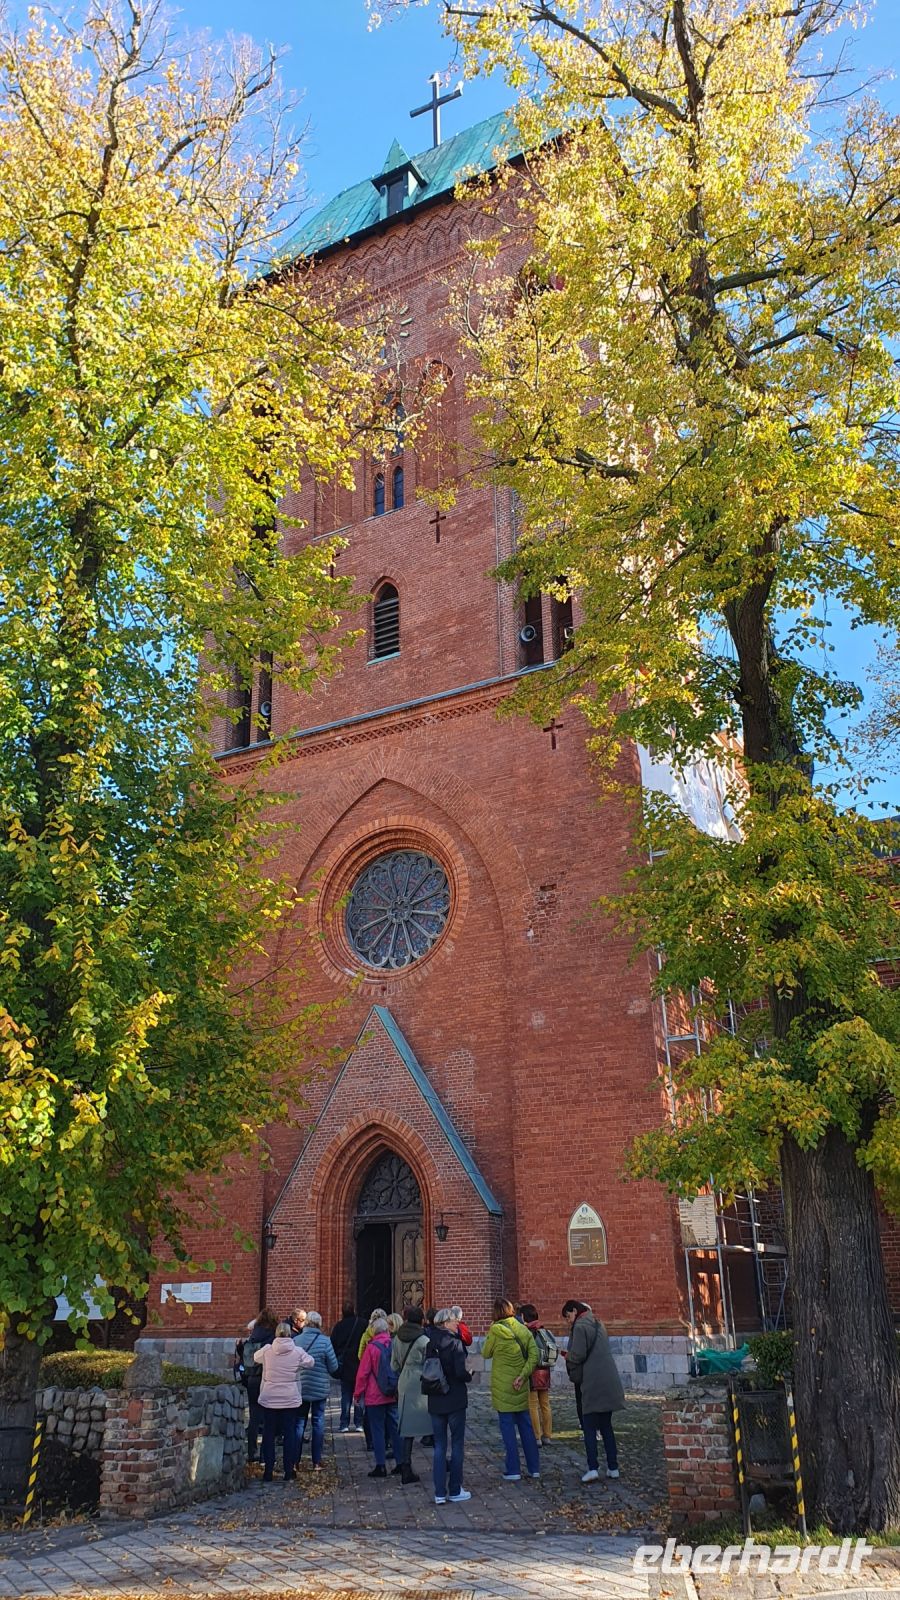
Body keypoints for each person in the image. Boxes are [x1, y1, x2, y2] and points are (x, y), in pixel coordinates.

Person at [561, 1299, 626, 1482]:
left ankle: (592, 1468)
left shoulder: (580, 1327)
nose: (568, 1321)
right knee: (606, 1426)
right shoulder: (598, 1323)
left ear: (574, 1311)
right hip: (609, 1380)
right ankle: (613, 1467)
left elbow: (578, 1355)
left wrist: (566, 1355)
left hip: (592, 1382)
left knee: (589, 1426)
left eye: (568, 1316)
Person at [482, 1296, 541, 1481]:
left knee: (508, 1430)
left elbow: (485, 1353)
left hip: (502, 1386)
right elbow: (534, 1355)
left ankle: (513, 1469)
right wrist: (522, 1376)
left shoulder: (495, 1330)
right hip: (520, 1385)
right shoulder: (523, 1329)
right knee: (526, 1427)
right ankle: (534, 1468)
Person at [254, 1319, 314, 1482]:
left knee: (268, 1434)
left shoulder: (268, 1350)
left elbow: (255, 1357)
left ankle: (268, 1471)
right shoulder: (297, 1351)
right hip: (290, 1398)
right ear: (289, 1334)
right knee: (289, 1434)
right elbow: (310, 1362)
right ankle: (288, 1470)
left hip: (269, 1398)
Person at [425, 1307, 471, 1505]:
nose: (457, 1323)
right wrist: (469, 1375)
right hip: (454, 1398)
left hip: (436, 1398)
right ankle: (455, 1489)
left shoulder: (430, 1343)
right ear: (444, 1323)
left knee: (439, 1446)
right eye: (454, 1321)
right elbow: (460, 1372)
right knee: (457, 1444)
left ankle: (439, 1492)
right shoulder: (455, 1343)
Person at [353, 1315, 400, 1477]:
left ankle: (381, 1466)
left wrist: (357, 1394)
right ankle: (401, 1463)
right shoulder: (394, 1344)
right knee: (395, 1429)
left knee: (377, 1430)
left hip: (375, 1395)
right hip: (392, 1392)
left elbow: (363, 1374)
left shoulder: (371, 1348)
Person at [294, 1310, 339, 1468]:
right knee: (318, 1422)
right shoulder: (325, 1342)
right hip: (319, 1388)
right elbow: (334, 1367)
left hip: (301, 1387)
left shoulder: (296, 1340)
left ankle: (295, 1461)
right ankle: (316, 1461)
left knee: (299, 1423)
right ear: (319, 1324)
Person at [391, 1304, 430, 1485]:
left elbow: (394, 1366)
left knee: (407, 1428)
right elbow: (431, 1363)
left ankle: (405, 1465)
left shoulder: (397, 1339)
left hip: (404, 1382)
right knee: (432, 1421)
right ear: (421, 1320)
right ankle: (442, 1460)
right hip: (421, 1383)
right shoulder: (424, 1340)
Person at [242, 1308, 278, 1463]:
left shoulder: (253, 1335)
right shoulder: (273, 1336)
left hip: (252, 1378)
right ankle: (265, 1455)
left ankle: (251, 1452)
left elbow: (243, 1356)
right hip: (266, 1378)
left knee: (254, 1417)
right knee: (269, 1418)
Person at [519, 1302, 556, 1445]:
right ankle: (547, 1435)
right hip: (545, 1371)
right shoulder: (544, 1330)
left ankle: (536, 1437)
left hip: (532, 1371)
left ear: (523, 1316)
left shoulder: (527, 1332)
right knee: (545, 1404)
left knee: (533, 1405)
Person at [331, 1304, 366, 1432]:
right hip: (360, 1364)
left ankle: (344, 1424)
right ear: (354, 1310)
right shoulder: (362, 1323)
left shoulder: (338, 1326)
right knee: (359, 1394)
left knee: (346, 1395)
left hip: (345, 1365)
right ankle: (359, 1423)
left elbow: (333, 1345)